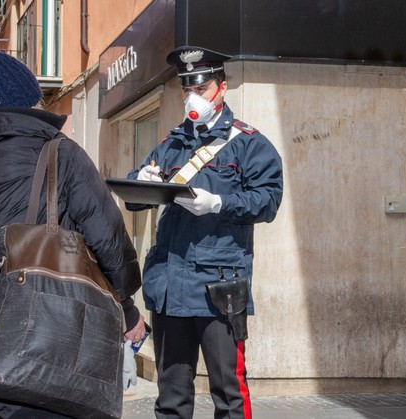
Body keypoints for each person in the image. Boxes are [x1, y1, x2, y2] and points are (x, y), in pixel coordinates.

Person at [0, 52, 146, 418]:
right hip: (40, 344)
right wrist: (127, 309)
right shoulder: (59, 153)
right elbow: (107, 240)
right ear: (32, 99)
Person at [127, 46, 283, 418]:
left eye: (202, 86)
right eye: (186, 88)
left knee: (229, 393)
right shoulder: (171, 143)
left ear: (222, 87)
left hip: (219, 287)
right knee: (171, 397)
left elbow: (268, 201)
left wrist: (219, 204)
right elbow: (134, 197)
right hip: (170, 286)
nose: (193, 95)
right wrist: (142, 180)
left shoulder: (249, 144)